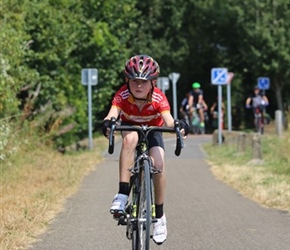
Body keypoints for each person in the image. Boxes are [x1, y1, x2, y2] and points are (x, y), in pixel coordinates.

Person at [101, 55, 189, 245]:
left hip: (153, 130)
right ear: (127, 81)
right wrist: (108, 122)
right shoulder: (122, 95)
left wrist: (178, 126)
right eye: (134, 81)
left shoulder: (158, 97)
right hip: (130, 128)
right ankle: (122, 195)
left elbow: (168, 119)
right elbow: (113, 113)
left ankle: (159, 216)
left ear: (153, 83)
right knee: (130, 139)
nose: (138, 86)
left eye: (144, 82)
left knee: (158, 162)